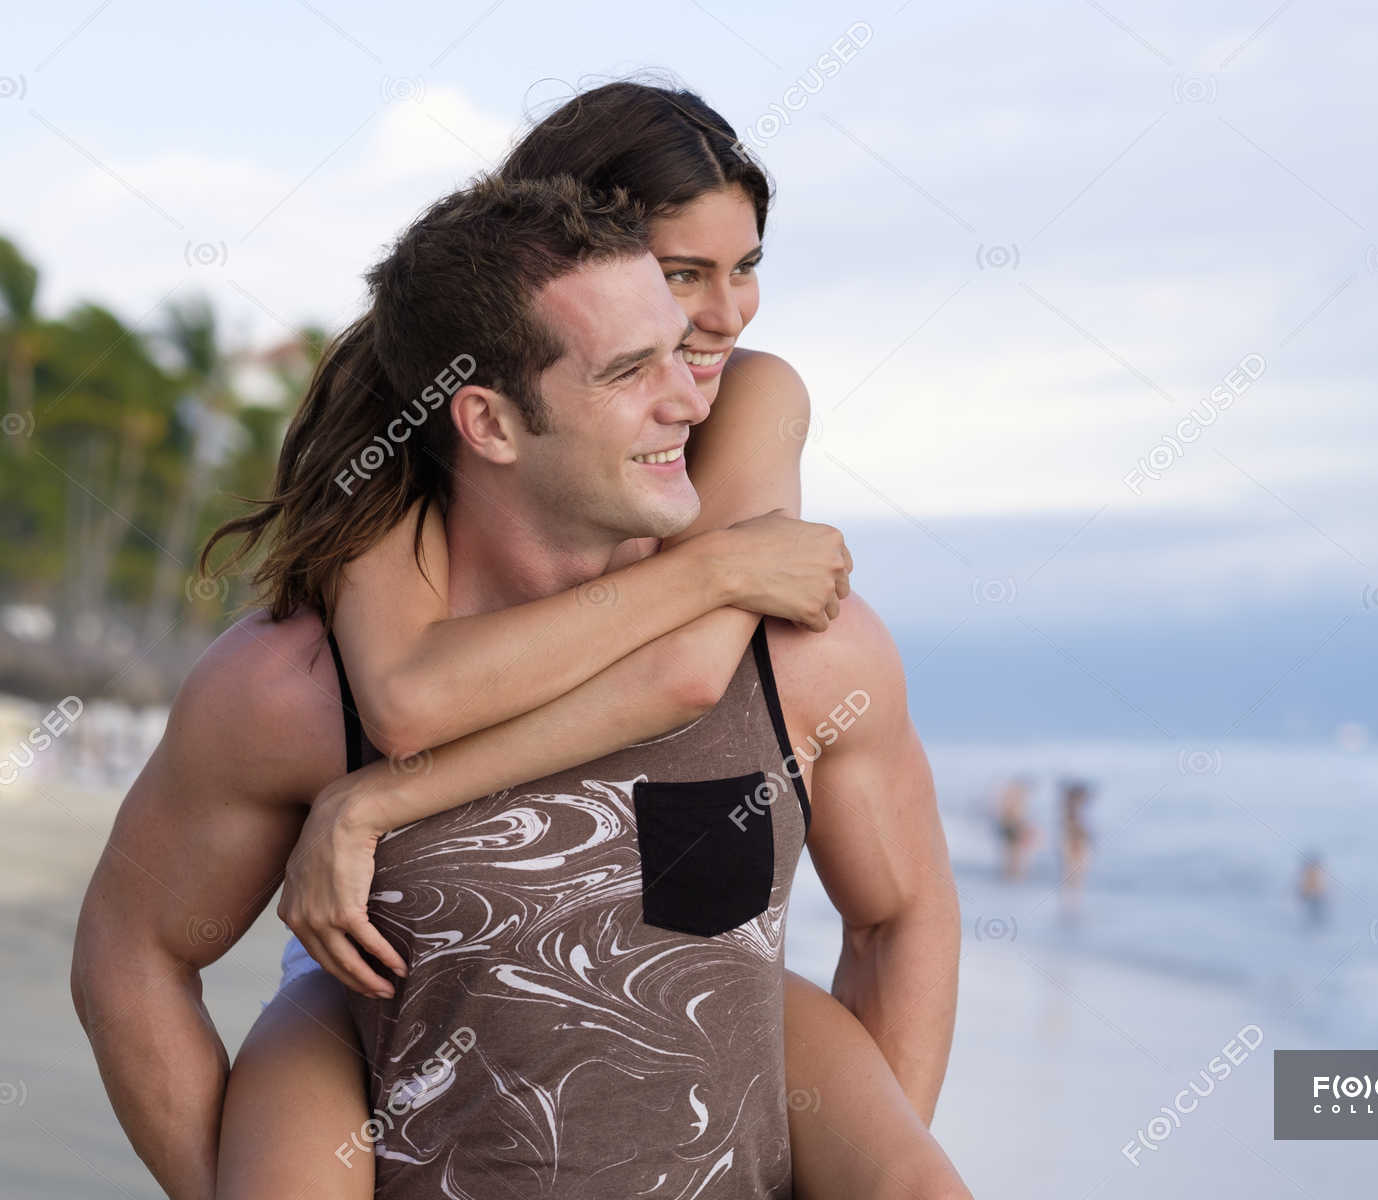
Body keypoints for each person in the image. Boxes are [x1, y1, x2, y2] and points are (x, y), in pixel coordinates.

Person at [72, 90, 964, 1200]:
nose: (718, 331)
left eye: (746, 270)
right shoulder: (309, 661)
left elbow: (885, 898)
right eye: (679, 282)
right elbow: (142, 944)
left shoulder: (799, 630)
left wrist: (870, 1157)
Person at [994, 774, 1040, 881]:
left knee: (1013, 852)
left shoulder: (1012, 795)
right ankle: (1012, 874)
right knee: (1012, 852)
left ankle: (1012, 874)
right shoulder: (1014, 795)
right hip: (1011, 826)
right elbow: (1008, 813)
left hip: (1012, 825)